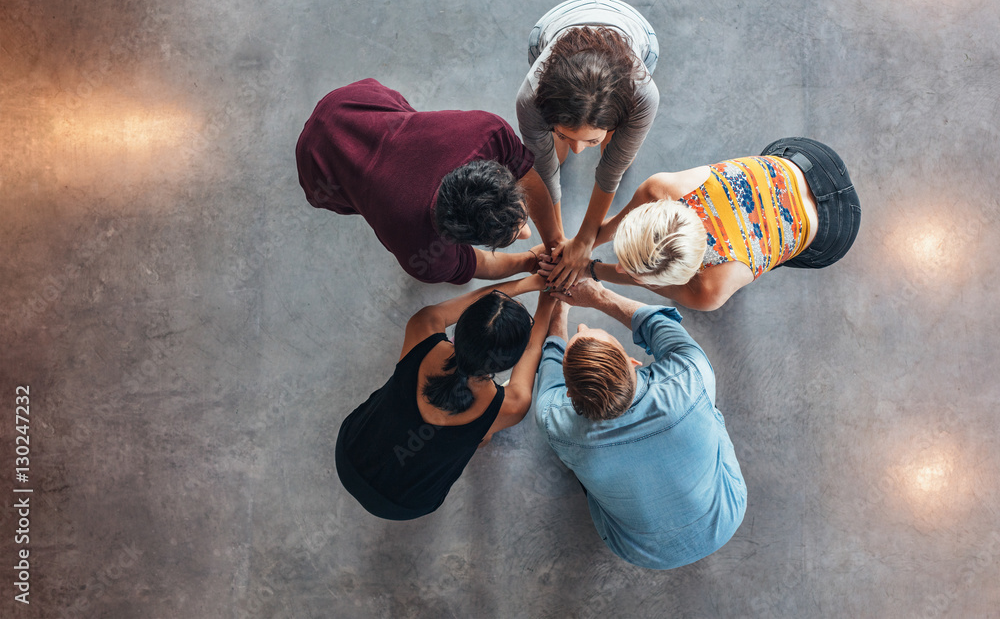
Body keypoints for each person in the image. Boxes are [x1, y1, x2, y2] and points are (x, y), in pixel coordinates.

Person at [534, 279, 746, 570]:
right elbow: (655, 322)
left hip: (640, 552)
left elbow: (550, 371)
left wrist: (561, 310)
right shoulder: (690, 377)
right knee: (705, 407)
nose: (583, 329)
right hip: (726, 517)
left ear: (569, 395)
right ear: (633, 362)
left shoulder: (554, 421)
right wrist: (598, 296)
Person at [336, 274, 556, 520]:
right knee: (483, 435)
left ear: (461, 326)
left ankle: (482, 434)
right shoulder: (512, 406)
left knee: (481, 432)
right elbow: (533, 349)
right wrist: (547, 298)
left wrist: (531, 281)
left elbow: (474, 299)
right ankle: (482, 435)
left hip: (350, 454)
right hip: (407, 504)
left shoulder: (422, 327)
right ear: (509, 362)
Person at [296, 78, 560, 284]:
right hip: (319, 159)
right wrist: (528, 262)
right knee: (357, 191)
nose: (525, 231)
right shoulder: (421, 253)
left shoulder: (486, 132)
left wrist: (555, 242)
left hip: (353, 101)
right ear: (456, 239)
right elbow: (473, 265)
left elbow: (527, 175)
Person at [580, 137, 862, 310]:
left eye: (632, 271)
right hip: (809, 160)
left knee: (782, 256)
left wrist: (591, 269)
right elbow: (611, 228)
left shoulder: (710, 292)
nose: (618, 267)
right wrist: (578, 248)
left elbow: (638, 280)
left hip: (834, 230)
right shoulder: (658, 189)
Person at [515, 0, 660, 289]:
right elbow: (543, 168)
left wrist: (584, 241)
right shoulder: (530, 98)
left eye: (591, 139)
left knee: (618, 156)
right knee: (554, 156)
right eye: (566, 134)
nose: (580, 150)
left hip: (638, 32)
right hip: (553, 24)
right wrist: (556, 240)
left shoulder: (643, 96)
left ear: (620, 118)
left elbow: (611, 171)